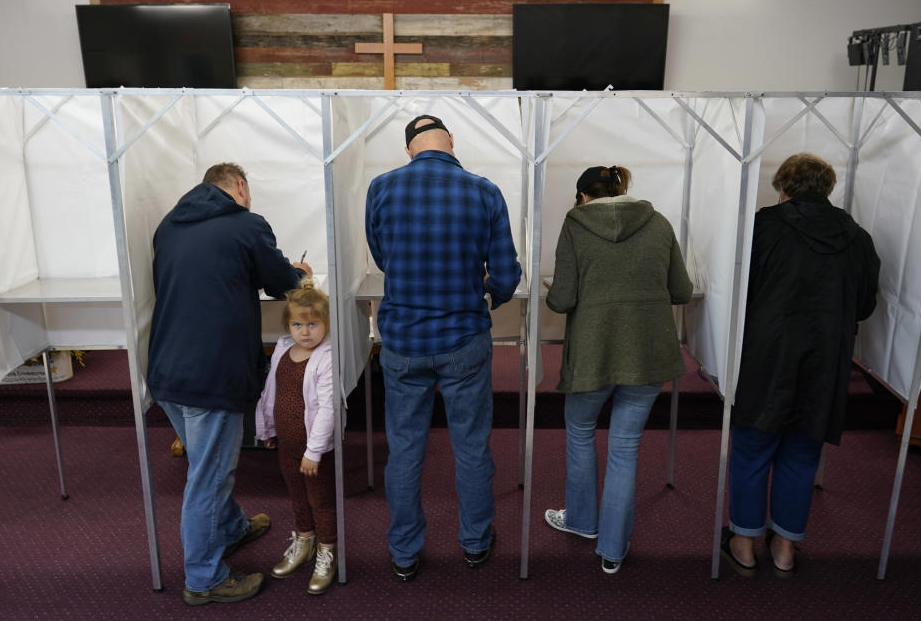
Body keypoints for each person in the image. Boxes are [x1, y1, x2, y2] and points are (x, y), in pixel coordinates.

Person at [365, 115, 522, 581]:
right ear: (452, 142)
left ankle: (405, 553)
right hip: (463, 339)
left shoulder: (381, 187)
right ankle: (475, 543)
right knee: (471, 447)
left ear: (408, 149)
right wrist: (486, 291)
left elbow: (382, 256)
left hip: (403, 341)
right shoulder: (484, 191)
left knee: (405, 449)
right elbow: (508, 275)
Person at [148, 163, 311, 605]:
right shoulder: (246, 224)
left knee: (206, 464)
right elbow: (281, 283)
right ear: (240, 187)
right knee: (208, 479)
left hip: (166, 371)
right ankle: (204, 579)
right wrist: (299, 273)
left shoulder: (168, 226)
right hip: (211, 375)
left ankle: (232, 527)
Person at [720, 153, 880, 579]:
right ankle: (785, 549)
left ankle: (744, 543)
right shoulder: (857, 236)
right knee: (802, 453)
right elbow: (865, 304)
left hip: (766, 357)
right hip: (826, 361)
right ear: (827, 189)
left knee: (752, 450)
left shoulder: (763, 226)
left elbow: (735, 293)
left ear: (783, 186)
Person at [543, 165, 693, 574]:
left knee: (580, 432)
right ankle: (612, 551)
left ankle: (581, 522)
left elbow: (561, 298)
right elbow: (681, 290)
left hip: (593, 352)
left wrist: (553, 289)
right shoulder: (658, 222)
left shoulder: (575, 224)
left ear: (584, 198)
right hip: (647, 353)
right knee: (625, 447)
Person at [254, 278, 338, 595]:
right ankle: (304, 541)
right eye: (297, 324)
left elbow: (328, 407)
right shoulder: (283, 350)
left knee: (320, 501)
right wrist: (267, 430)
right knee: (297, 498)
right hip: (288, 446)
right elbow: (270, 393)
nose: (305, 331)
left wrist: (313, 452)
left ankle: (327, 552)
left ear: (326, 324)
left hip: (314, 450)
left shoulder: (326, 357)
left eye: (313, 324)